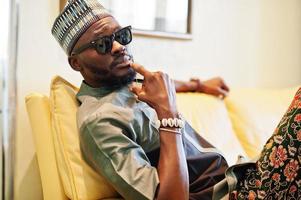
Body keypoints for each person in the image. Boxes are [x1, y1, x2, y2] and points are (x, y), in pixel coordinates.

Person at [51, 1, 301, 199]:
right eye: (103, 44)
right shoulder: (100, 122)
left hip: (242, 178)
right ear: (76, 63)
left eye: (122, 35)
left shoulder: (124, 84)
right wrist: (167, 115)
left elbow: (161, 82)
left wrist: (198, 85)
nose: (118, 47)